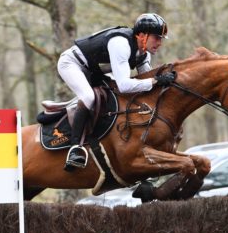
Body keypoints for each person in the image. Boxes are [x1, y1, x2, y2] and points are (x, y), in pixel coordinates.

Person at [57, 13, 175, 171]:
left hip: (95, 71)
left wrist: (164, 81)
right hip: (72, 63)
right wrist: (156, 81)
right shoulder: (120, 44)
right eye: (156, 37)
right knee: (88, 96)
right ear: (142, 35)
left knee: (114, 98)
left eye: (161, 39)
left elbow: (146, 81)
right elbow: (125, 85)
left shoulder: (144, 54)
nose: (159, 43)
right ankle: (75, 148)